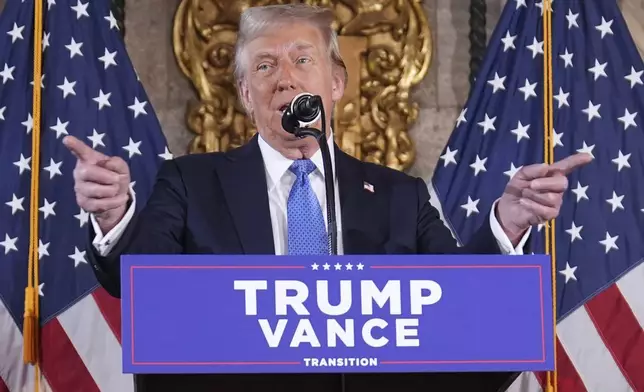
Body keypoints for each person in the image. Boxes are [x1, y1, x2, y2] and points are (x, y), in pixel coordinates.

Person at [63, 4, 591, 392]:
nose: (284, 79)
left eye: (301, 59)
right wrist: (114, 215)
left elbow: (460, 311)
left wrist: (509, 222)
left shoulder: (398, 198)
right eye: (264, 66)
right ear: (246, 95)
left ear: (336, 83)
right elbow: (142, 282)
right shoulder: (188, 183)